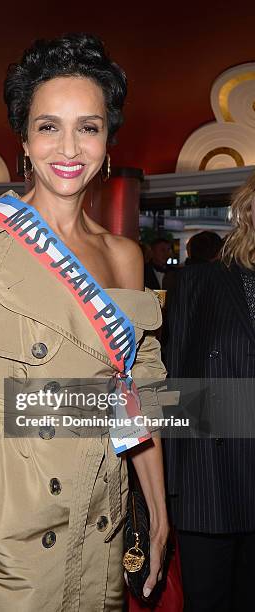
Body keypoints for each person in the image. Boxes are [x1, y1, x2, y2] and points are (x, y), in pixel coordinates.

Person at [0, 33, 169, 611]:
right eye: (49, 126)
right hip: (15, 522)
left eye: (88, 126)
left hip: (103, 519)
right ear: (23, 139)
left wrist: (160, 511)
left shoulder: (124, 255)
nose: (69, 146)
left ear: (108, 141)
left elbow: (135, 395)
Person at [164, 171, 255, 611]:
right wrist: (168, 484)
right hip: (210, 480)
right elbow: (176, 383)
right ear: (249, 213)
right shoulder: (201, 283)